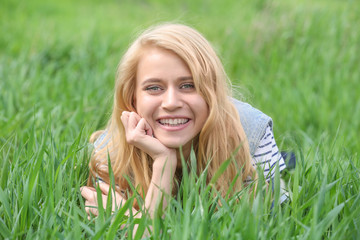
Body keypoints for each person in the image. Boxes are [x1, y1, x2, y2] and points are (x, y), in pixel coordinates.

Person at [80, 23, 286, 218]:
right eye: (154, 88)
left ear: (212, 92)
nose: (170, 103)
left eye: (188, 85)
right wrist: (164, 163)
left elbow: (270, 223)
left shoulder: (251, 135)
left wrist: (130, 220)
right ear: (132, 98)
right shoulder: (111, 154)